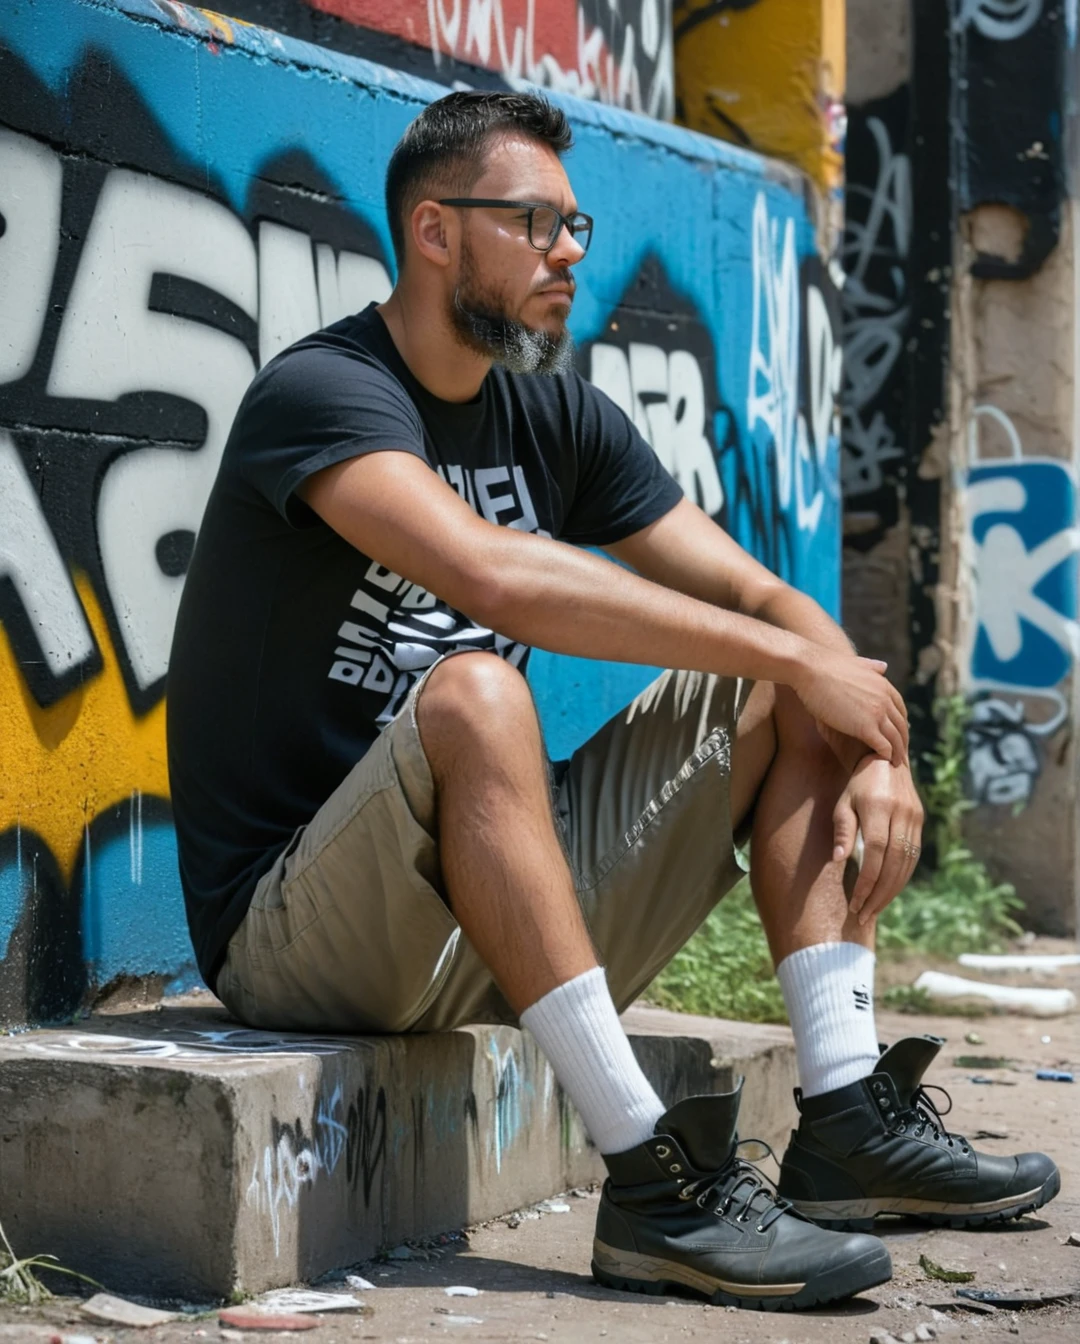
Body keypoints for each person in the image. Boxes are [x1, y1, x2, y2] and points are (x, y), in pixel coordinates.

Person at [167, 90, 1059, 1311]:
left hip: (475, 909)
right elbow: (493, 575)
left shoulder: (553, 414)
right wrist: (797, 659)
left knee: (782, 668)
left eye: (576, 225)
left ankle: (847, 1113)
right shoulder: (324, 393)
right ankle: (650, 1184)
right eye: (535, 223)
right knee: (478, 693)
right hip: (293, 931)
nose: (569, 252)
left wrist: (873, 747)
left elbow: (759, 591)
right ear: (435, 234)